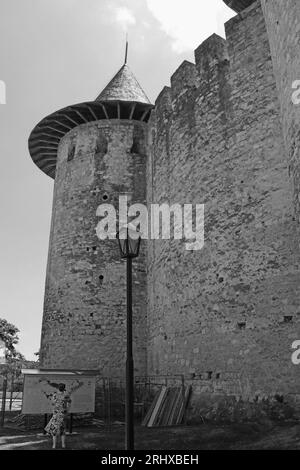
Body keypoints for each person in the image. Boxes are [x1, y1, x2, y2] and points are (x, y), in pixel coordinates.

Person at [44, 383, 71, 449]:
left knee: (54, 431)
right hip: (63, 415)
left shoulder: (54, 395)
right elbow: (69, 404)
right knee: (63, 430)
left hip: (56, 415)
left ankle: (54, 445)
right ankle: (63, 445)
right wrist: (66, 410)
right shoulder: (66, 395)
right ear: (64, 388)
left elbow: (52, 403)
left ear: (58, 388)